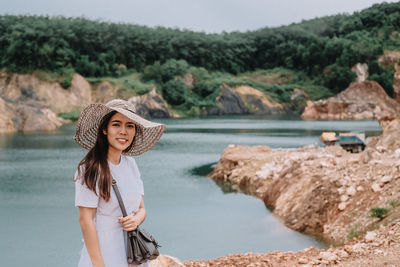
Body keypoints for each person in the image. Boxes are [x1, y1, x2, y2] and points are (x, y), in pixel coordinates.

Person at [73, 99, 166, 267]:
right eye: (116, 124)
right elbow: (85, 220)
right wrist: (98, 264)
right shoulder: (90, 168)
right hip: (105, 252)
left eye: (130, 126)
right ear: (104, 129)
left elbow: (141, 209)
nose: (123, 131)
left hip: (132, 251)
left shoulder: (131, 165)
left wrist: (136, 220)